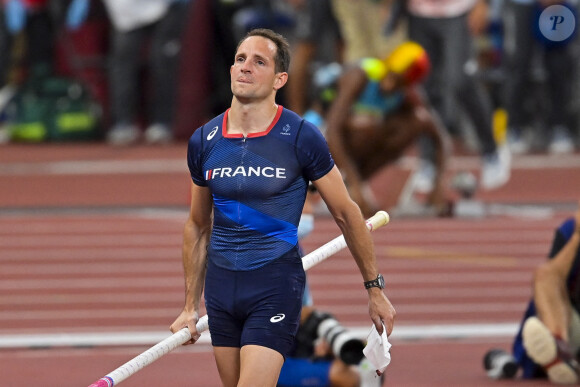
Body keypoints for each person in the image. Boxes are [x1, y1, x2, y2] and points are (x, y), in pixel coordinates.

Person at [169, 28, 395, 387]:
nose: (246, 67)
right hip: (221, 289)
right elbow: (198, 226)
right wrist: (188, 308)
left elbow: (347, 215)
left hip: (274, 286)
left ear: (279, 78)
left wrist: (375, 289)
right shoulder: (204, 140)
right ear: (230, 69)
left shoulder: (301, 136)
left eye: (259, 62)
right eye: (241, 59)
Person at [388, 0, 511, 191]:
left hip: (458, 11)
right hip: (418, 14)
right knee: (423, 89)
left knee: (461, 81)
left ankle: (491, 151)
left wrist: (483, 4)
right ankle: (429, 160)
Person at [321, 41, 449, 217]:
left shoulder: (407, 93)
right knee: (366, 124)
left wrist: (439, 184)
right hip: (320, 138)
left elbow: (439, 136)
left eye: (398, 82)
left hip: (357, 145)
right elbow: (332, 130)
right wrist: (357, 187)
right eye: (391, 76)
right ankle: (345, 186)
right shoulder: (360, 76)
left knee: (415, 122)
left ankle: (350, 186)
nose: (390, 85)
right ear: (387, 65)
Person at [484, 201, 580, 384]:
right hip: (569, 326)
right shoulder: (569, 230)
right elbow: (552, 279)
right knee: (544, 276)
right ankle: (558, 351)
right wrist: (577, 237)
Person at [100, 0, 191, 145]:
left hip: (169, 6)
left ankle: (162, 123)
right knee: (124, 60)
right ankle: (123, 123)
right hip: (126, 8)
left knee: (162, 60)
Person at [502, 0, 577, 155]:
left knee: (558, 65)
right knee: (519, 65)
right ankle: (515, 127)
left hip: (558, 3)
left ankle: (559, 126)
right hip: (522, 4)